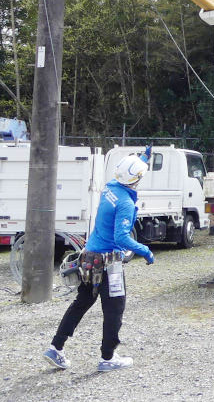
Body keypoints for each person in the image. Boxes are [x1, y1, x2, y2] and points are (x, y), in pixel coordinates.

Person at [43, 150, 155, 372]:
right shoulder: (124, 202)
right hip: (108, 263)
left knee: (81, 303)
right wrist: (145, 250)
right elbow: (121, 237)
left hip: (89, 257)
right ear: (135, 179)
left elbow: (127, 174)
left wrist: (142, 159)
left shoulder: (111, 188)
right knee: (114, 309)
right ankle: (108, 357)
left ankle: (56, 347)